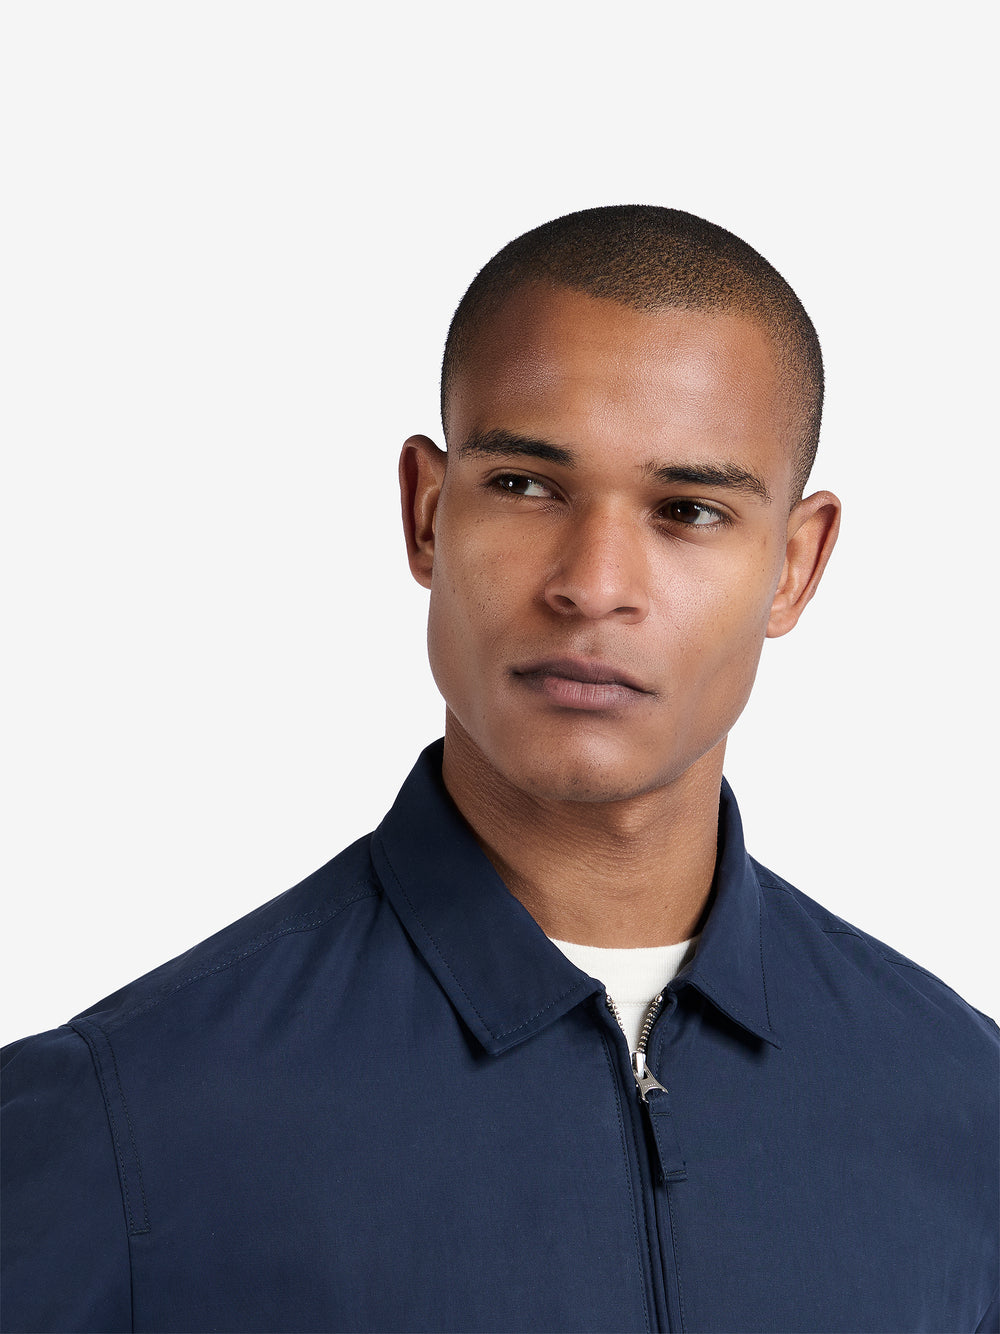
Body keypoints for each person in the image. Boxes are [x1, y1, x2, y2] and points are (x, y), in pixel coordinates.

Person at [2, 205, 996, 1334]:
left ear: (795, 566)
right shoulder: (122, 1118)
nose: (593, 583)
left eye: (687, 510)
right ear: (428, 514)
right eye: (525, 485)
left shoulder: (965, 1106)